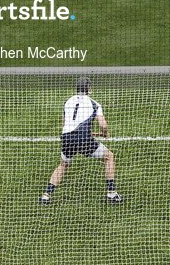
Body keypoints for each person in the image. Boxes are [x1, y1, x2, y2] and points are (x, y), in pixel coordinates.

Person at [40, 76, 122, 205]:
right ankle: (111, 194)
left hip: (66, 137)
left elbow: (65, 123)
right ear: (89, 89)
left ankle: (46, 195)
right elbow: (103, 125)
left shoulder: (68, 101)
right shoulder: (95, 104)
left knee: (63, 165)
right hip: (83, 138)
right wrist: (105, 134)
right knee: (109, 157)